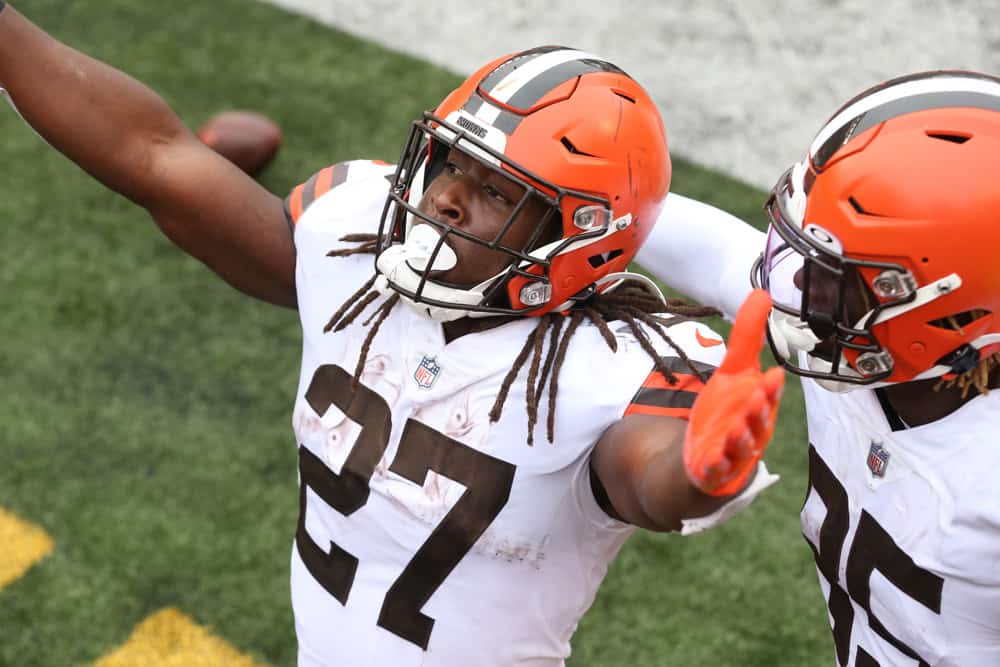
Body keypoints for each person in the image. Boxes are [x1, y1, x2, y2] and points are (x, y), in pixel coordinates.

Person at [0, 4, 786, 665]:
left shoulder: (613, 366)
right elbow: (156, 156)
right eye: (451, 162)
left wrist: (698, 470)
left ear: (577, 239)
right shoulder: (355, 241)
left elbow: (647, 480)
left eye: (496, 193)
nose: (445, 197)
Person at [639, 70, 1000, 666]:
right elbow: (708, 248)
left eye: (835, 274)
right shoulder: (871, 349)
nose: (798, 285)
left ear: (945, 312)